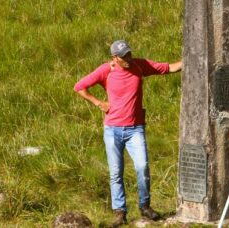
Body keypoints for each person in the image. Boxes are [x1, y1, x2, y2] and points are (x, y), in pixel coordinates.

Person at [74, 39, 182, 227]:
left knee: (142, 167)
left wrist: (191, 57)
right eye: (124, 57)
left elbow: (169, 68)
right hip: (112, 130)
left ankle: (145, 206)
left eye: (129, 54)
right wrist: (99, 103)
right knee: (116, 172)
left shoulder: (140, 66)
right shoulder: (105, 70)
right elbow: (79, 87)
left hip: (135, 129)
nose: (128, 59)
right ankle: (120, 212)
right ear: (114, 58)